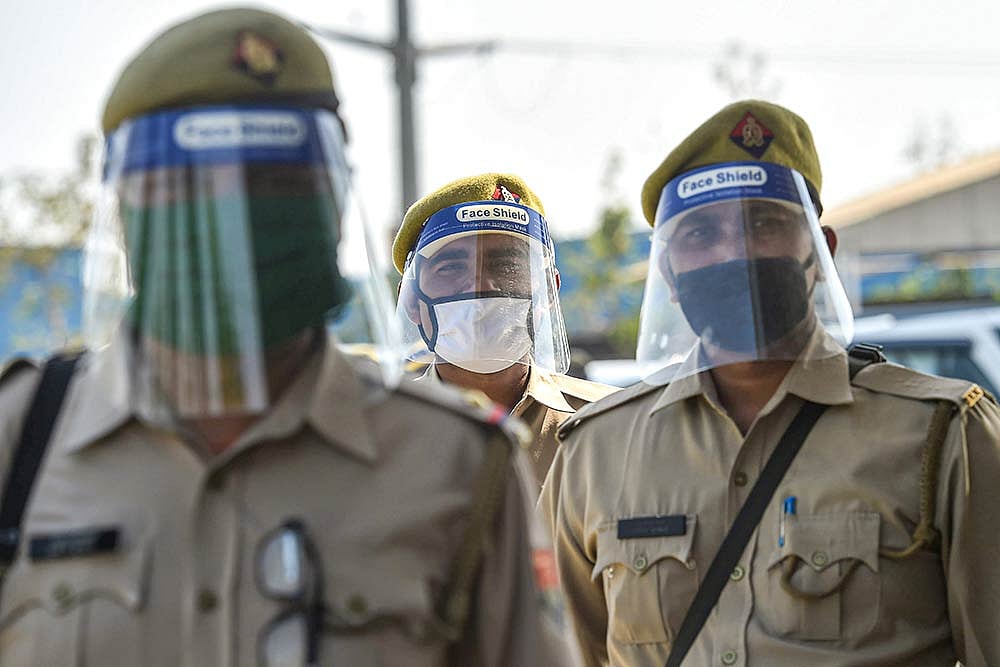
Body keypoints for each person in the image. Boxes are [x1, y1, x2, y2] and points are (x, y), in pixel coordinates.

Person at [0, 8, 568, 666]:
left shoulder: (457, 464)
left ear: (329, 208)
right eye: (196, 188)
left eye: (279, 186)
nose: (241, 222)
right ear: (131, 215)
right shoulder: (20, 443)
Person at [541, 99, 1000, 666]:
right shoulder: (595, 451)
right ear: (669, 273)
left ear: (821, 253)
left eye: (765, 223)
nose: (734, 252)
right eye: (702, 233)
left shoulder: (942, 435)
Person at [392, 173, 616, 490]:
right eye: (452, 267)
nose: (480, 286)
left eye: (508, 266)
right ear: (412, 300)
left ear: (549, 293)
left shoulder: (615, 424)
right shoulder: (376, 434)